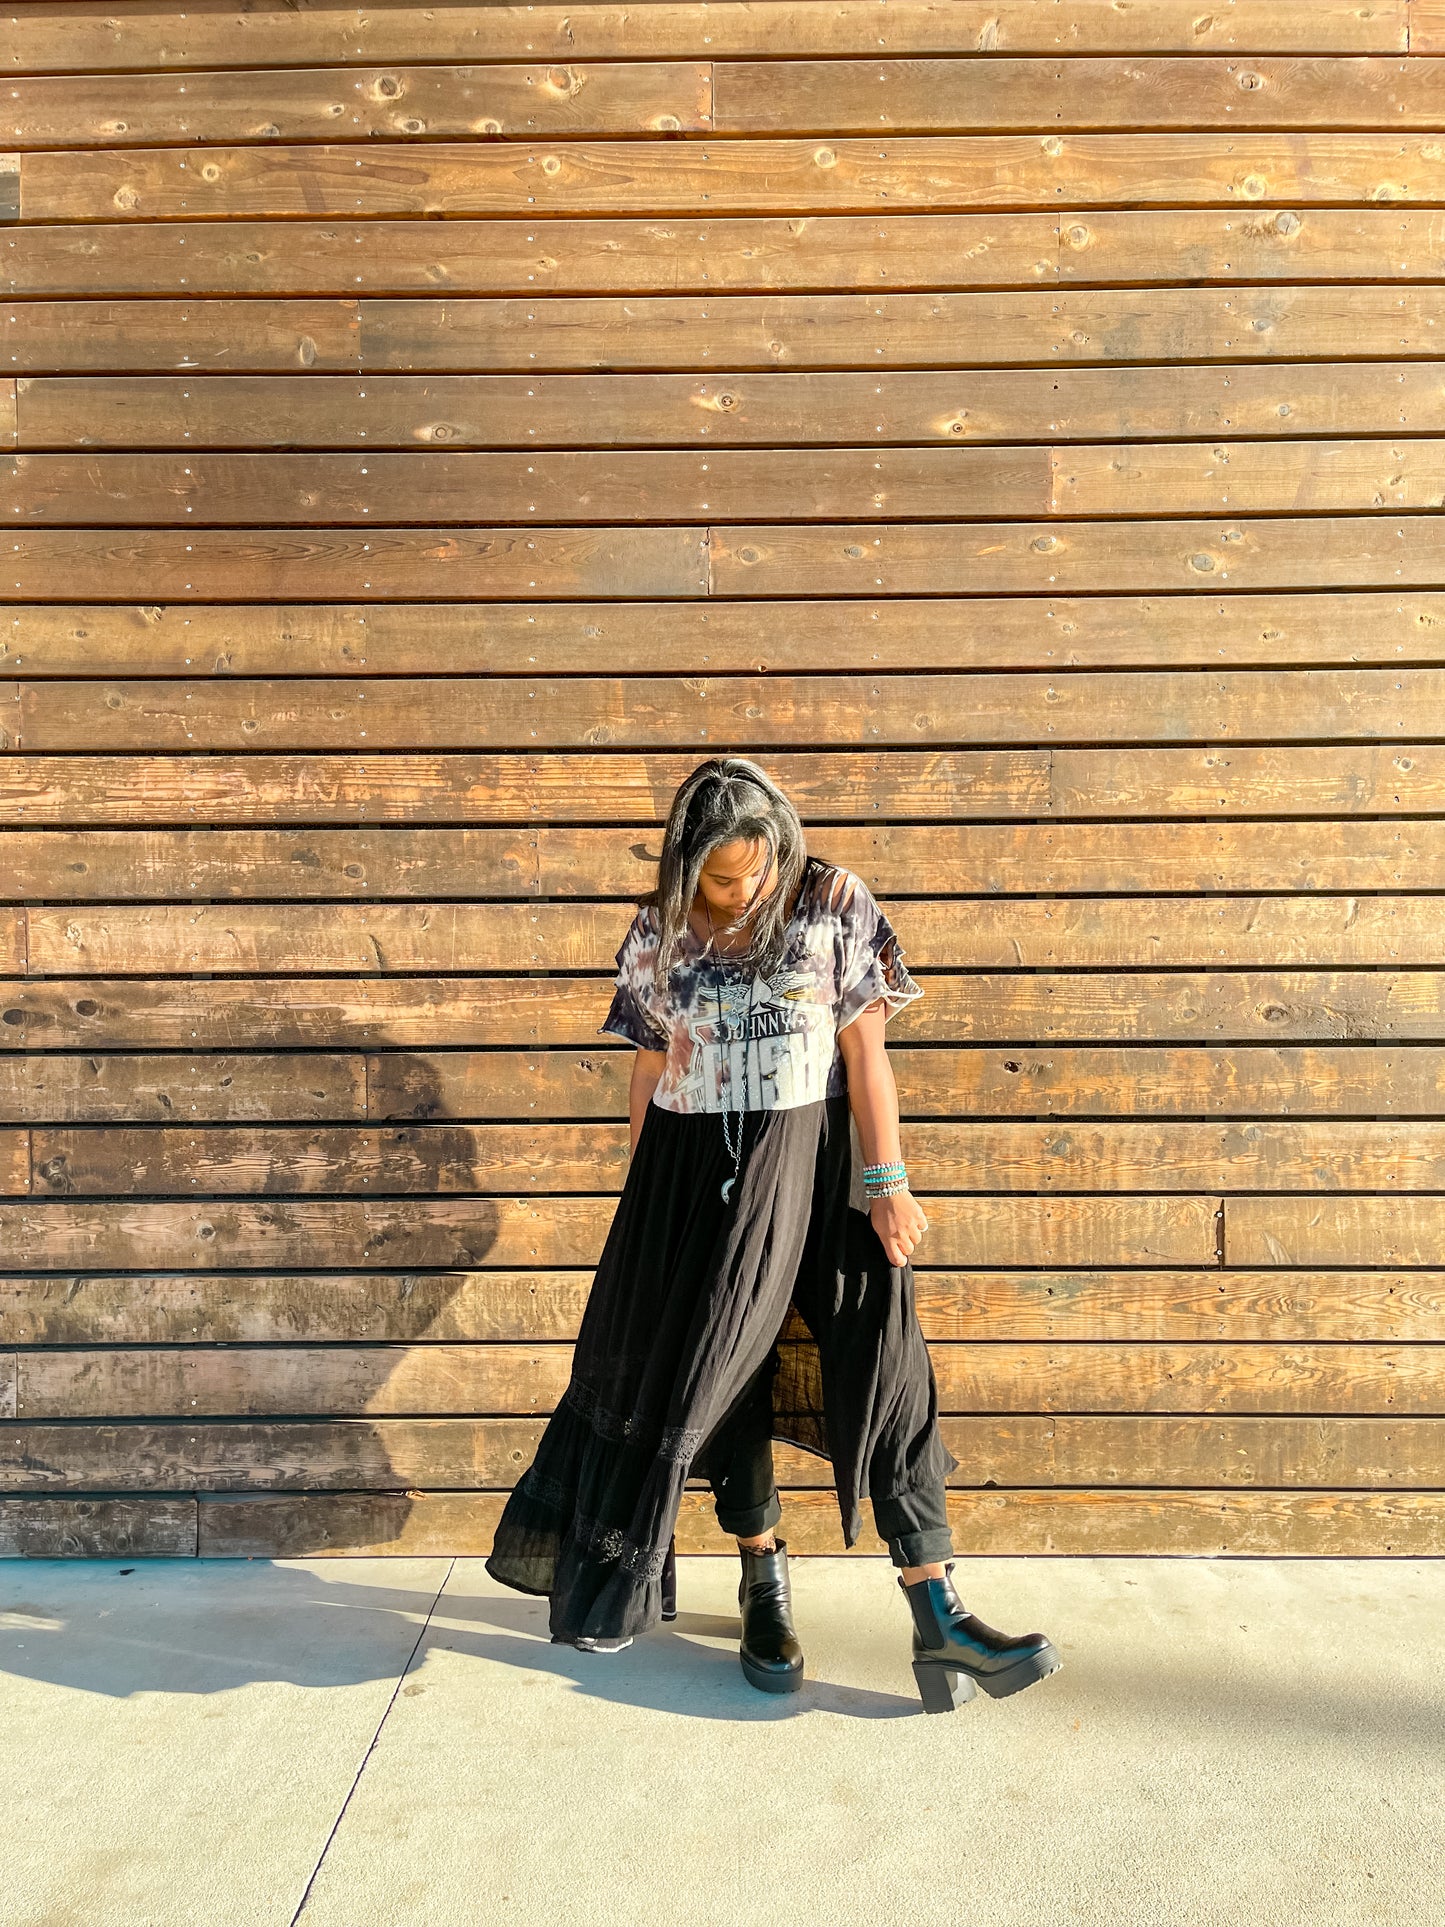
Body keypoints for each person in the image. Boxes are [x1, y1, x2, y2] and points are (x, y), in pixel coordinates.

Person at [485, 757, 1061, 1714]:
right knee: (727, 1374)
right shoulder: (659, 926)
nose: (743, 890)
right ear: (687, 864)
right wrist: (646, 1205)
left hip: (820, 1162)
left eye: (756, 869)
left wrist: (887, 1184)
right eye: (721, 877)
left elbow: (865, 1053)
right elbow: (649, 1070)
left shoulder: (831, 900)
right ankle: (763, 1581)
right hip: (695, 1174)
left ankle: (938, 1612)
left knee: (888, 1361)